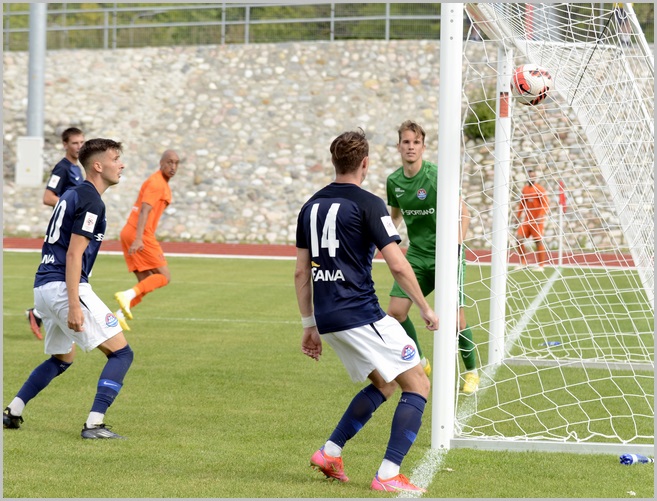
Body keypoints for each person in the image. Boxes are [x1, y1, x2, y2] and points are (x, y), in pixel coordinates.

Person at [295, 129, 439, 494]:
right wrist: (425, 306)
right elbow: (398, 265)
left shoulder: (309, 206)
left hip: (328, 318)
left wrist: (309, 325)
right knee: (419, 383)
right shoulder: (369, 204)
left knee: (386, 383)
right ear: (365, 163)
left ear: (334, 162)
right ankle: (388, 474)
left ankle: (330, 453)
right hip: (359, 314)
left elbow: (300, 272)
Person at [4, 138, 133, 439]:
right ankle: (94, 424)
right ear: (98, 165)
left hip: (44, 287)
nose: (121, 164)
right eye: (116, 159)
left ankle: (13, 411)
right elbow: (74, 255)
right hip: (65, 287)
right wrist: (74, 304)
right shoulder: (91, 200)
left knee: (62, 359)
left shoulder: (73, 193)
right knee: (121, 354)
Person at [386, 120, 480, 394]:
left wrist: (456, 247)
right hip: (417, 255)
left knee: (456, 320)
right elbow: (395, 218)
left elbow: (464, 214)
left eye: (416, 142)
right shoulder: (394, 181)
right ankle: (420, 361)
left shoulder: (436, 177)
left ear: (423, 147)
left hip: (447, 255)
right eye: (406, 142)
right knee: (396, 312)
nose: (411, 147)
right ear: (399, 146)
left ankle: (472, 372)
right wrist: (382, 239)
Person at [26, 127, 86, 340]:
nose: (79, 147)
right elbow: (48, 197)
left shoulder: (77, 168)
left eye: (81, 142)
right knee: (70, 269)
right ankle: (43, 312)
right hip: (64, 232)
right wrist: (70, 205)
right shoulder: (62, 168)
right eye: (75, 143)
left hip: (73, 229)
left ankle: (39, 313)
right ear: (65, 144)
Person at [113, 150, 180, 331]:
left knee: (146, 283)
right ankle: (126, 295)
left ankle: (117, 317)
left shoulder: (161, 182)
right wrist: (139, 238)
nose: (173, 166)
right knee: (164, 277)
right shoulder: (156, 183)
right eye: (169, 162)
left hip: (132, 232)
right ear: (161, 163)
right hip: (140, 234)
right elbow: (144, 210)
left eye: (176, 163)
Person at [514, 168, 550, 270]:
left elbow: (545, 204)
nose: (531, 178)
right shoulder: (525, 189)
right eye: (530, 176)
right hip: (527, 221)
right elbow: (522, 204)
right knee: (518, 239)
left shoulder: (540, 189)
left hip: (537, 221)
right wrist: (518, 216)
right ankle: (523, 262)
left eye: (533, 176)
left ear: (536, 177)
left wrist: (540, 215)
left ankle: (541, 265)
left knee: (537, 241)